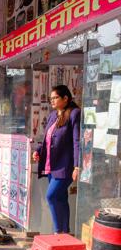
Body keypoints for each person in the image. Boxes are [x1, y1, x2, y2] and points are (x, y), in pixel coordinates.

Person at [32, 85, 80, 234]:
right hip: (51, 165)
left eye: (55, 98)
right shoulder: (53, 115)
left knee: (51, 196)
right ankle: (65, 232)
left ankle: (58, 232)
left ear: (65, 98)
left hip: (65, 166)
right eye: (50, 98)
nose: (52, 100)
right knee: (61, 198)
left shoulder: (74, 114)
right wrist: (38, 151)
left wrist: (77, 166)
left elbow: (77, 141)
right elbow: (46, 137)